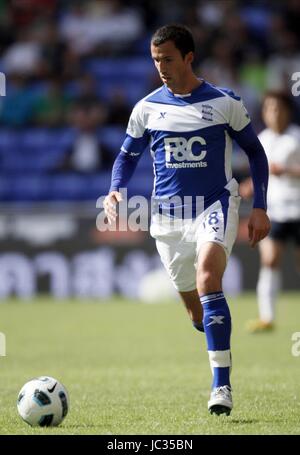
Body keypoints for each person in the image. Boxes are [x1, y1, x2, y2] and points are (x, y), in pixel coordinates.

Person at [103, 24, 270, 416]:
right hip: (166, 219)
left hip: (215, 204)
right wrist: (115, 189)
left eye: (168, 58)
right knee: (197, 312)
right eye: (156, 59)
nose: (161, 66)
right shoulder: (146, 108)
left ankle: (221, 386)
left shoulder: (224, 102)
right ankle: (214, 332)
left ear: (189, 57)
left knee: (208, 279)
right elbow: (127, 156)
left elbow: (256, 154)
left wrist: (260, 205)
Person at [240, 91, 300, 333]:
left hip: (298, 209)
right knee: (270, 260)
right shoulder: (261, 139)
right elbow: (261, 175)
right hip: (274, 211)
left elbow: (279, 170)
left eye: (278, 108)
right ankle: (267, 317)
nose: (273, 113)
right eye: (269, 109)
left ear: (288, 111)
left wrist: (285, 170)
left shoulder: (296, 137)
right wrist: (249, 185)